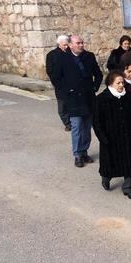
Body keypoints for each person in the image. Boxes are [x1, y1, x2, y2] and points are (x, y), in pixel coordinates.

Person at [93, 71, 131, 199]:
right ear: (111, 84)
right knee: (110, 163)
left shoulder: (128, 96)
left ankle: (128, 187)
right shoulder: (101, 99)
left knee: (130, 163)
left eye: (122, 82)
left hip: (127, 137)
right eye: (118, 83)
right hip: (110, 139)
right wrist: (103, 138)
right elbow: (97, 122)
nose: (121, 85)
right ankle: (106, 178)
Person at [57, 35, 103, 167]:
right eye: (78, 43)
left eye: (82, 43)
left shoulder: (89, 56)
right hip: (73, 99)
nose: (81, 45)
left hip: (88, 98)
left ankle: (84, 151)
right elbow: (57, 78)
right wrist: (67, 92)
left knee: (87, 127)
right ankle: (77, 154)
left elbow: (98, 74)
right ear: (70, 45)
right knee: (76, 127)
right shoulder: (63, 58)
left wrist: (94, 87)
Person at [45, 34, 71, 131]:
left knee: (72, 104)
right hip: (60, 84)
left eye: (67, 44)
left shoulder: (70, 53)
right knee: (62, 107)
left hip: (72, 83)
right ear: (59, 44)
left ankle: (74, 122)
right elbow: (50, 70)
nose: (66, 47)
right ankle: (67, 123)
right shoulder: (52, 55)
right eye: (64, 45)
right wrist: (56, 82)